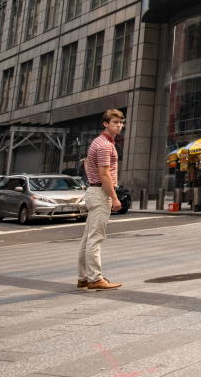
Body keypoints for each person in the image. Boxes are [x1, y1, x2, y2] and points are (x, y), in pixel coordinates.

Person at [77, 109, 125, 290]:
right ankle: (95, 278)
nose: (119, 125)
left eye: (121, 122)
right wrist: (114, 197)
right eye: (115, 122)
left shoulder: (99, 142)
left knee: (87, 238)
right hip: (100, 193)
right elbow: (104, 174)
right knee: (95, 238)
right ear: (105, 124)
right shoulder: (105, 145)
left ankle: (84, 277)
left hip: (94, 191)